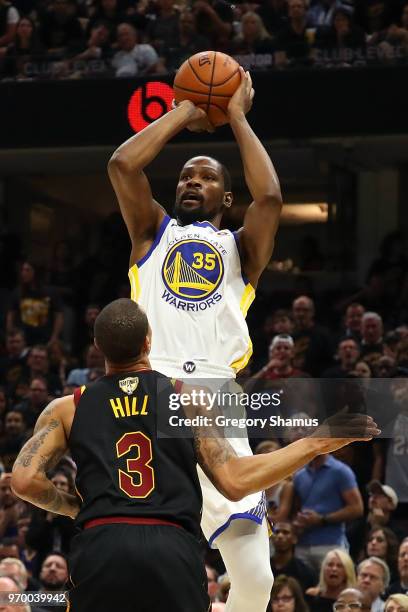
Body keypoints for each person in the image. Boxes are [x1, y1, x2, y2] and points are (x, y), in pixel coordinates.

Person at [10, 299, 379, 612]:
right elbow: (235, 482)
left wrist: (75, 507)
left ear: (97, 345)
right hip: (171, 546)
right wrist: (314, 442)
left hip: (101, 542)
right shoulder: (187, 399)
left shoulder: (68, 408)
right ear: (148, 341)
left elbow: (24, 480)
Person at [108, 68, 282, 612]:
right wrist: (187, 108)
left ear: (225, 197)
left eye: (204, 178)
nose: (190, 182)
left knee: (256, 580)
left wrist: (234, 115)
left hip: (217, 396)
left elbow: (271, 197)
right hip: (149, 388)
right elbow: (121, 164)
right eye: (185, 175)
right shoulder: (150, 233)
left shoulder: (241, 249)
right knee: (141, 563)